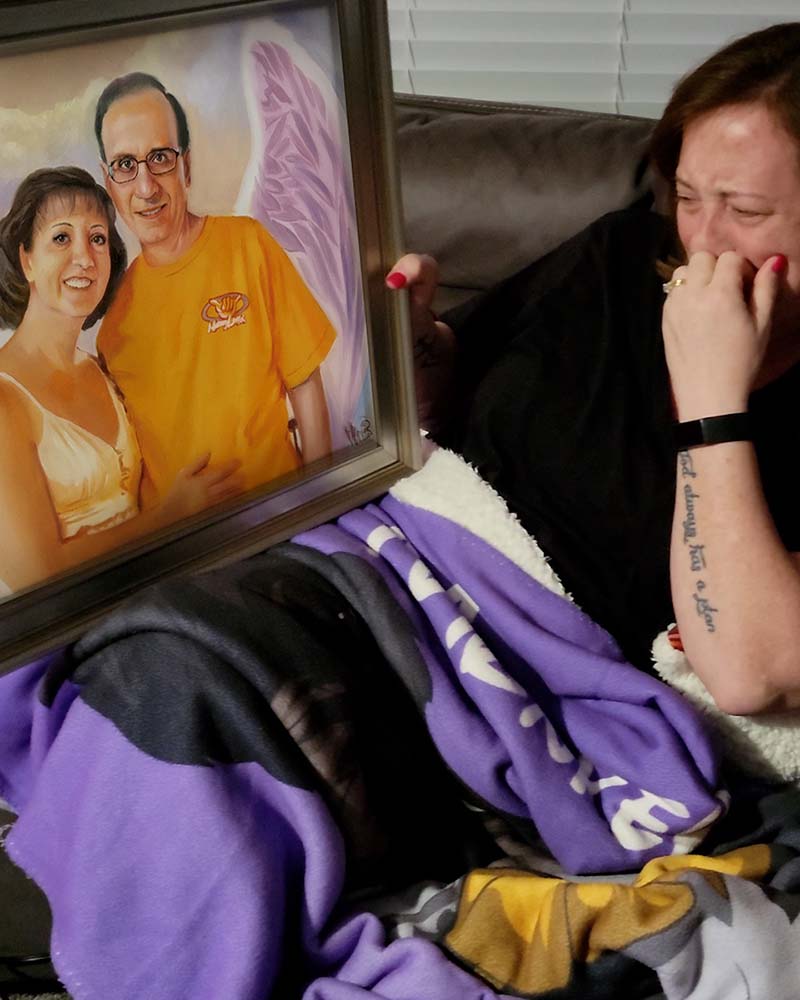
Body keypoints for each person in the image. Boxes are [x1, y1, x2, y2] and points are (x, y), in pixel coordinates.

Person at [387, 22, 800, 717]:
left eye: (747, 209)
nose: (701, 239)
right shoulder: (619, 257)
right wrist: (410, 338)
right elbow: (448, 389)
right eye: (690, 195)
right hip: (394, 572)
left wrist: (712, 395)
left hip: (524, 686)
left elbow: (749, 674)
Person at [93, 72, 336, 509]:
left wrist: (319, 506)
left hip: (279, 518)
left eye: (160, 158)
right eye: (126, 166)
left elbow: (306, 384)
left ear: (186, 165)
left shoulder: (248, 245)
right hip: (186, 553)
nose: (145, 187)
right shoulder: (113, 323)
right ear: (109, 183)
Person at [0, 167, 239, 594]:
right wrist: (168, 517)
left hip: (153, 590)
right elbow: (36, 575)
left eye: (97, 238)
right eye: (61, 238)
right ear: (26, 259)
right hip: (66, 633)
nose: (84, 257)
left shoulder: (103, 368)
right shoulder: (5, 398)